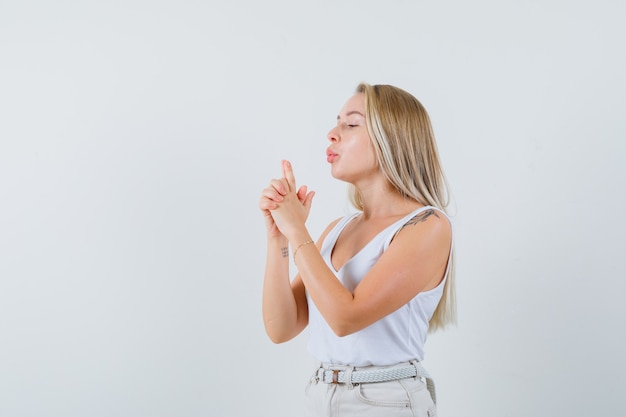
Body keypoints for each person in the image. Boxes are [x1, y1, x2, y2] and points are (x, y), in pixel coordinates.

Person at [258, 82, 456, 416]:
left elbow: (345, 318)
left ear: (392, 139)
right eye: (336, 123)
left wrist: (297, 229)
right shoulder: (339, 229)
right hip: (321, 395)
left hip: (385, 401)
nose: (332, 134)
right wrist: (280, 238)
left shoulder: (428, 226)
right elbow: (281, 327)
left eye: (350, 124)